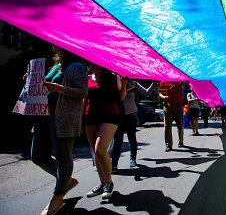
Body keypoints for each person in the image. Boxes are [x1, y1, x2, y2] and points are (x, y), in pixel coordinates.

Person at [40, 47, 88, 215]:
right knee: (37, 155)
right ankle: (65, 181)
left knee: (63, 157)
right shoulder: (55, 66)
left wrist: (61, 89)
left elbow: (83, 92)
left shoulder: (76, 66)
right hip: (43, 116)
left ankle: (58, 196)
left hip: (63, 118)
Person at [85, 65, 123, 199]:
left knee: (100, 149)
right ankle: (102, 183)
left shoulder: (113, 77)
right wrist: (79, 120)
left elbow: (121, 97)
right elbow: (85, 99)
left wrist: (123, 84)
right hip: (91, 116)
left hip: (110, 115)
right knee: (95, 152)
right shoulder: (89, 78)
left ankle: (109, 183)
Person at [111, 79, 158, 172]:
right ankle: (114, 164)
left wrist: (154, 83)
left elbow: (146, 93)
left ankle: (133, 159)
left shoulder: (133, 84)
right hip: (118, 116)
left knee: (132, 139)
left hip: (131, 116)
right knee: (117, 141)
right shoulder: (114, 83)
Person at [159, 81, 189, 151]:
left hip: (178, 105)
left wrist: (183, 82)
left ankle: (181, 141)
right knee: (167, 126)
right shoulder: (164, 82)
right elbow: (160, 93)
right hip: (168, 105)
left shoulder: (178, 79)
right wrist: (164, 97)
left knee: (180, 125)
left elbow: (187, 82)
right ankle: (169, 145)